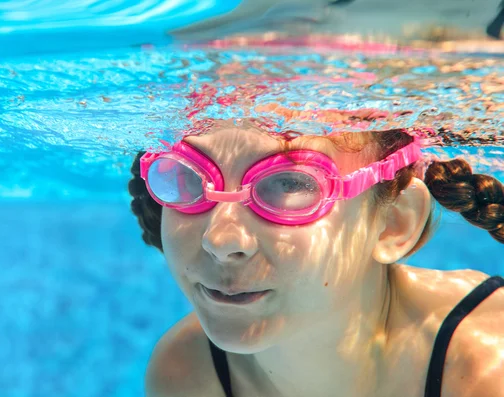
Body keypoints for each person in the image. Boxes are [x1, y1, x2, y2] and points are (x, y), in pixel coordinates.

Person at [128, 118, 504, 397]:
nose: (221, 239)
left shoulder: (487, 367)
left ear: (393, 223)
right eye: (189, 176)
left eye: (290, 184)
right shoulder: (186, 372)